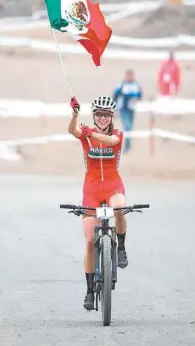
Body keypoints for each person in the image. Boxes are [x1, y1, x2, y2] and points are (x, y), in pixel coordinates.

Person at [68, 95, 128, 311]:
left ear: (112, 117)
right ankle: (90, 290)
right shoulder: (85, 133)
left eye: (107, 115)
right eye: (99, 114)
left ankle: (120, 247)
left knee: (121, 207)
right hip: (91, 189)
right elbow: (72, 131)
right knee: (90, 239)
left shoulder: (117, 134)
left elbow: (111, 142)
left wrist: (91, 133)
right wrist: (74, 115)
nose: (103, 118)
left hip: (112, 186)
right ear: (94, 116)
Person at [113, 69, 142, 153]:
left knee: (130, 127)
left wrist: (135, 99)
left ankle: (128, 144)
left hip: (132, 109)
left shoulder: (137, 85)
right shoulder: (121, 85)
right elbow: (115, 97)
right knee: (127, 127)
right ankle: (127, 146)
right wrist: (115, 110)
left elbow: (140, 96)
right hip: (123, 109)